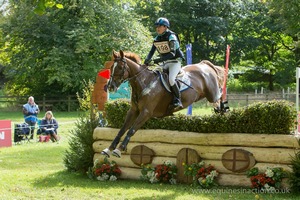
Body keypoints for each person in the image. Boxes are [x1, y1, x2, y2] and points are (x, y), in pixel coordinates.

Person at [144, 17, 185, 109]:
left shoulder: (172, 37)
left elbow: (172, 53)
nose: (157, 28)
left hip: (175, 61)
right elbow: (151, 52)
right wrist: (147, 60)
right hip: (165, 62)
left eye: (159, 26)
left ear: (165, 27)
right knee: (153, 75)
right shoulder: (157, 38)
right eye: (156, 26)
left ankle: (177, 100)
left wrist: (156, 61)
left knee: (171, 79)